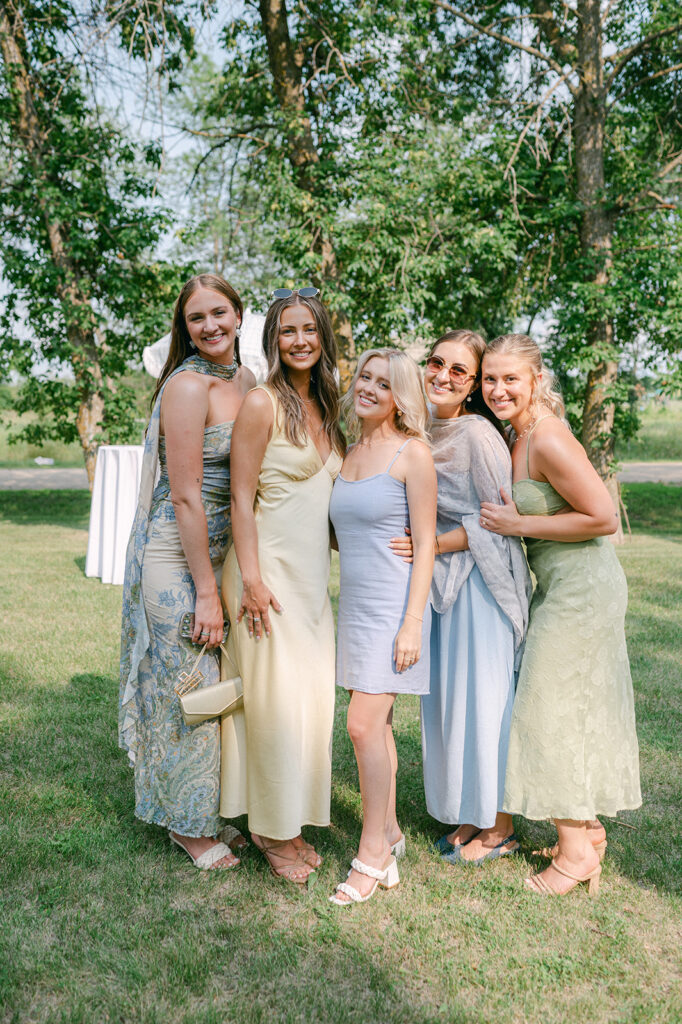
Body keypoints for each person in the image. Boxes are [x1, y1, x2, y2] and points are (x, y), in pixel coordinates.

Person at [480, 333, 641, 896]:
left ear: (536, 380)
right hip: (557, 584)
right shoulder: (515, 435)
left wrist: (518, 525)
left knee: (545, 708)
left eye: (510, 379)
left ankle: (575, 857)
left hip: (584, 589)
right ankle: (588, 830)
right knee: (569, 704)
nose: (498, 389)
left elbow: (602, 518)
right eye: (490, 379)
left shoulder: (547, 437)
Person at [119, 274, 256, 870]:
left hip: (224, 554)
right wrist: (205, 590)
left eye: (219, 313)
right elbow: (185, 499)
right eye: (196, 319)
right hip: (178, 557)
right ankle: (187, 825)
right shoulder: (186, 388)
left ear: (239, 315)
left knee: (219, 690)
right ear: (184, 329)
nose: (210, 327)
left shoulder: (247, 380)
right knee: (188, 687)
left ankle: (210, 807)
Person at [220, 288, 346, 884]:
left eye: (309, 330)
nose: (300, 341)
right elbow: (240, 498)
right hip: (264, 574)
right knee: (272, 703)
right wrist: (250, 580)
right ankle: (273, 830)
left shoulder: (332, 404)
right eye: (288, 331)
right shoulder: (262, 403)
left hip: (312, 581)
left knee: (310, 702)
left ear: (323, 336)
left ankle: (294, 817)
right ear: (272, 338)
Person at [410, 330, 531, 866]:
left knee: (482, 704)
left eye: (460, 371)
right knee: (449, 704)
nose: (443, 375)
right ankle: (471, 812)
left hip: (479, 585)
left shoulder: (479, 434)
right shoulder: (417, 429)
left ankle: (500, 826)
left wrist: (429, 544)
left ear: (472, 386)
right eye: (437, 362)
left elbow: (497, 521)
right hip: (436, 585)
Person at [329, 349, 437, 905]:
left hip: (395, 610)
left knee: (361, 726)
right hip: (354, 608)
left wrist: (412, 624)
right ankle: (391, 833)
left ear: (402, 397)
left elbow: (427, 547)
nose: (369, 388)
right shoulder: (348, 453)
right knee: (380, 727)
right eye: (364, 377)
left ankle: (371, 854)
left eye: (384, 383)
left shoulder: (411, 453)